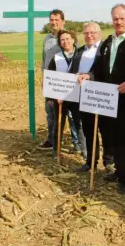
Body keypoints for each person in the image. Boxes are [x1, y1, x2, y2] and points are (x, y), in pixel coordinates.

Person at [79, 4, 125, 194]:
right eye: (115, 18)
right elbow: (99, 66)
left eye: (122, 18)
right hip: (108, 100)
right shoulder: (109, 42)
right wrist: (89, 76)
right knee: (114, 138)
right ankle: (118, 171)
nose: (118, 22)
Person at [72, 22, 114, 173]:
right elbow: (73, 70)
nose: (89, 36)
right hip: (84, 97)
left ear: (99, 33)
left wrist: (89, 76)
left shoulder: (106, 49)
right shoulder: (80, 51)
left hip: (102, 95)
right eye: (86, 33)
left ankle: (109, 162)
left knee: (106, 130)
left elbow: (105, 71)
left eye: (92, 33)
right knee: (89, 130)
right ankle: (91, 162)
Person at [40, 9, 79, 150]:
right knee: (51, 113)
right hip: (52, 84)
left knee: (72, 116)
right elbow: (44, 60)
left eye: (56, 20)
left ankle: (76, 143)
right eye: (51, 20)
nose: (53, 22)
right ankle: (52, 140)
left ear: (63, 21)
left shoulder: (69, 37)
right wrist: (44, 79)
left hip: (68, 85)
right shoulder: (47, 39)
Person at [48, 30, 87, 159]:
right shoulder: (56, 57)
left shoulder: (82, 54)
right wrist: (51, 97)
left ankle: (84, 150)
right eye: (63, 40)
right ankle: (56, 151)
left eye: (68, 39)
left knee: (80, 124)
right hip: (60, 98)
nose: (66, 42)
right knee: (58, 125)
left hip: (77, 96)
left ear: (74, 39)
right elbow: (50, 77)